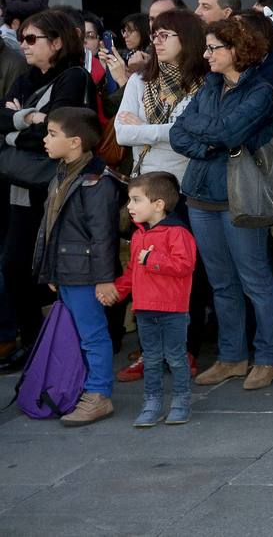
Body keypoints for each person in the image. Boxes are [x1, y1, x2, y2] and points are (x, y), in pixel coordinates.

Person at [169, 17, 273, 390]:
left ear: (235, 49)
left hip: (241, 198)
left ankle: (268, 358)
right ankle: (232, 357)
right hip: (201, 197)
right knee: (222, 283)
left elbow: (229, 132)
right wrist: (210, 143)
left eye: (213, 48)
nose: (206, 55)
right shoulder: (208, 86)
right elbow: (177, 132)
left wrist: (210, 134)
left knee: (256, 280)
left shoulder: (261, 91)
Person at [0, 10, 96, 371]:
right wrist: (27, 119)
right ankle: (35, 341)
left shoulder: (72, 78)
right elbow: (26, 126)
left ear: (56, 43)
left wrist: (13, 125)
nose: (23, 45)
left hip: (57, 187)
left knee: (55, 270)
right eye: (22, 38)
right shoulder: (25, 78)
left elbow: (52, 134)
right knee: (14, 265)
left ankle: (66, 345)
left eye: (31, 39)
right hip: (22, 187)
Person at [31, 107, 120, 425]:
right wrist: (52, 270)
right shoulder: (64, 172)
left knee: (93, 334)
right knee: (81, 334)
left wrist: (104, 279)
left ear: (75, 142)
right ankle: (83, 389)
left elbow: (102, 235)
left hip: (85, 272)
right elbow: (53, 225)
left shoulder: (96, 181)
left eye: (52, 134)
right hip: (68, 269)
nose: (46, 139)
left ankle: (98, 395)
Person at [101, 172, 197, 427]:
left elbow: (185, 265)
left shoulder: (178, 233)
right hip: (144, 309)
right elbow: (133, 271)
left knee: (176, 357)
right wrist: (117, 291)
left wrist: (151, 260)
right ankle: (152, 402)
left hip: (173, 309)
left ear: (158, 204)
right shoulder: (139, 235)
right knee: (151, 358)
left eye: (135, 200)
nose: (129, 207)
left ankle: (181, 401)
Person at [113, 9, 206, 183]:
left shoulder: (205, 82)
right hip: (145, 182)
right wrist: (170, 130)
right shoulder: (140, 80)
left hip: (188, 182)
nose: (156, 41)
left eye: (164, 35)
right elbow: (122, 134)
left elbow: (197, 134)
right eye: (154, 35)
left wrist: (142, 128)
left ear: (187, 37)